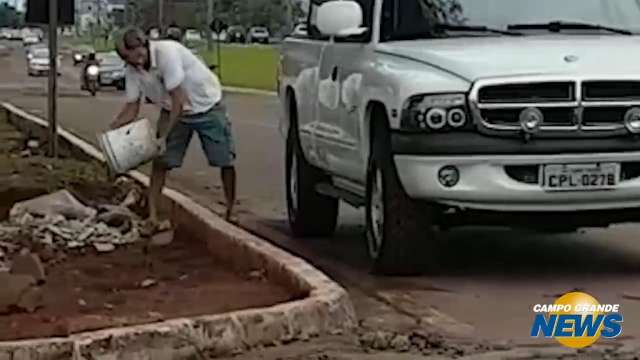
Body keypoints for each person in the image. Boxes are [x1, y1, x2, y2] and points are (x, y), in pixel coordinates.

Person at [111, 28, 237, 230]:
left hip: (206, 104)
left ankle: (231, 209)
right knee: (160, 162)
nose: (136, 61)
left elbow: (180, 100)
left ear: (143, 46)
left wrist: (164, 137)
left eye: (138, 54)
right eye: (129, 59)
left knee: (224, 160)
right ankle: (153, 216)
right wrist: (114, 128)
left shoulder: (167, 54)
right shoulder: (133, 70)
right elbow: (132, 106)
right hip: (173, 109)